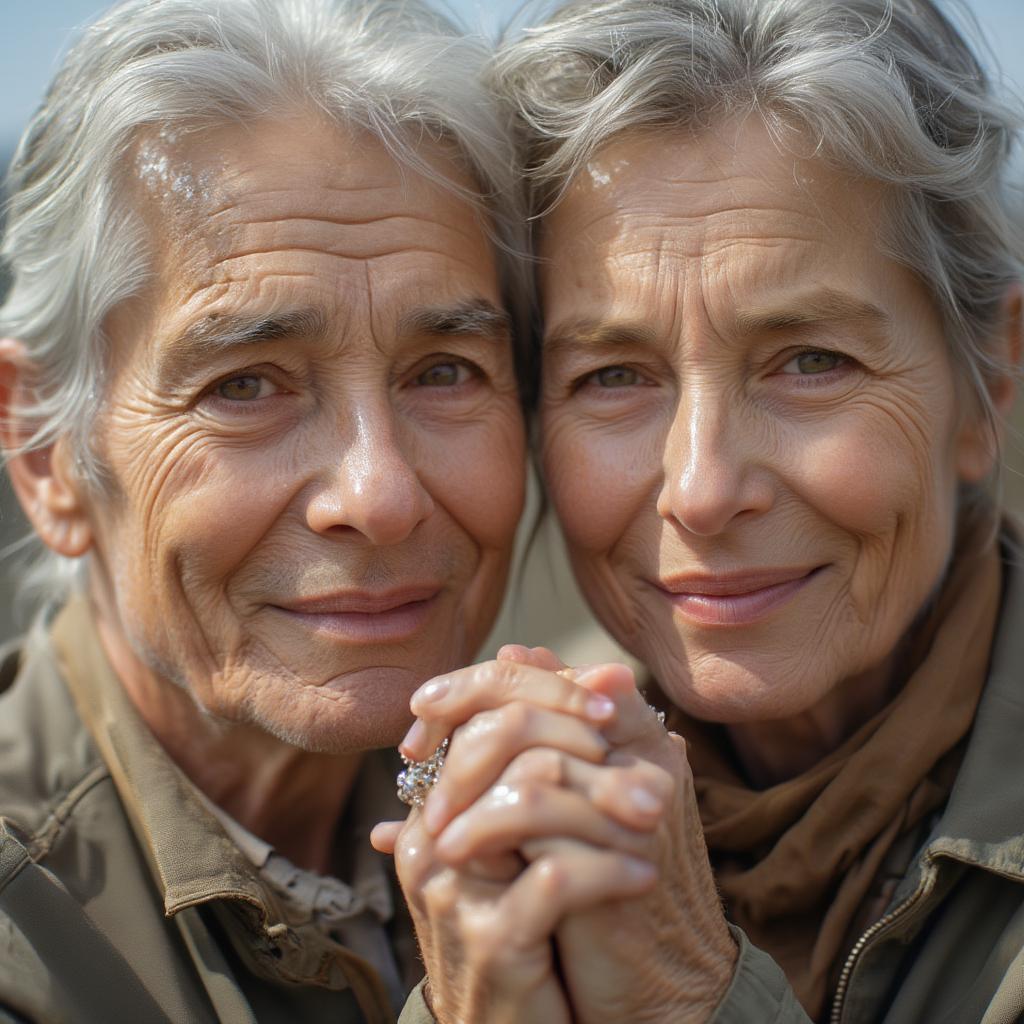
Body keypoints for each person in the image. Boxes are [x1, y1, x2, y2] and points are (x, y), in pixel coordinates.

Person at [378, 0, 1024, 1021]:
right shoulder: (478, 821)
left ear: (986, 374)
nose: (703, 487)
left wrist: (688, 996)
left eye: (810, 362)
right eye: (612, 376)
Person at [0, 0, 561, 1019]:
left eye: (444, 370)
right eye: (247, 386)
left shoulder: (592, 814)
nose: (379, 494)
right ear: (46, 454)